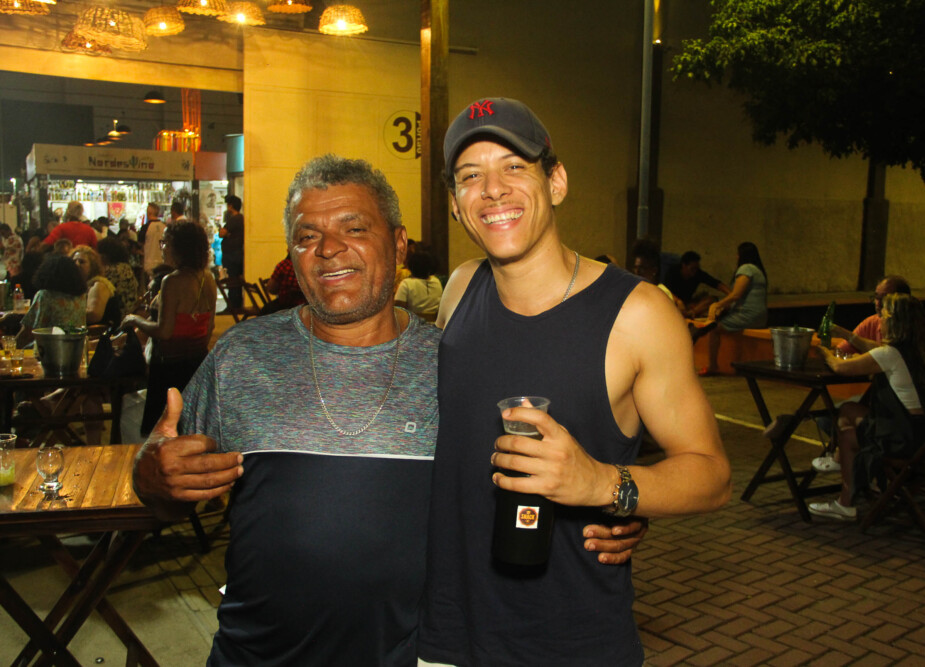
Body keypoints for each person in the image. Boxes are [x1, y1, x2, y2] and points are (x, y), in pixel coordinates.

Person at [131, 155, 642, 665]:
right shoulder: (241, 356)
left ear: (398, 245)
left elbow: (536, 480)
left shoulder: (457, 366)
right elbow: (167, 489)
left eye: (354, 228)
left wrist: (611, 510)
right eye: (307, 236)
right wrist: (151, 475)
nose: (328, 248)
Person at [419, 97, 731, 666]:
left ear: (556, 181)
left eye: (514, 166)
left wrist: (607, 486)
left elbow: (711, 474)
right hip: (445, 635)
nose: (492, 190)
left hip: (570, 643)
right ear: (457, 206)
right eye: (470, 176)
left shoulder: (638, 314)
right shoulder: (460, 290)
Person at [810, 294, 925, 520]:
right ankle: (840, 466)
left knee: (848, 432)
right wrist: (847, 335)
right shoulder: (922, 350)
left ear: (894, 322)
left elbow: (841, 368)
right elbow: (877, 349)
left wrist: (824, 352)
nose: (879, 322)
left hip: (906, 441)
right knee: (849, 411)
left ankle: (845, 500)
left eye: (883, 317)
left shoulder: (891, 354)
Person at [122, 222, 217, 437]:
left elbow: (165, 331)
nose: (163, 248)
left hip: (169, 366)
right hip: (197, 362)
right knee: (192, 429)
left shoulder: (172, 281)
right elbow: (209, 327)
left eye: (165, 243)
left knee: (163, 431)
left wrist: (135, 320)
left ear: (179, 247)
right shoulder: (208, 278)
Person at [695, 241, 769, 376]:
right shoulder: (759, 271)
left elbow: (736, 295)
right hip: (760, 317)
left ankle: (713, 365)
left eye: (737, 254)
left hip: (748, 315)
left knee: (714, 329)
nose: (736, 257)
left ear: (741, 255)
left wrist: (717, 305)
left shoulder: (746, 269)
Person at [15, 254, 87, 348]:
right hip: (76, 348)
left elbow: (29, 332)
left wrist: (11, 345)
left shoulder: (45, 295)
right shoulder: (81, 297)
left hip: (49, 349)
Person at [834, 275, 911, 356]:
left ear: (901, 301)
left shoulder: (911, 328)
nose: (878, 303)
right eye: (876, 297)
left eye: (885, 298)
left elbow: (887, 354)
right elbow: (840, 351)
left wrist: (846, 334)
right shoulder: (871, 322)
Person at [664, 250, 730, 318]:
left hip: (688, 304)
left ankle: (690, 314)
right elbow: (664, 290)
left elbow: (716, 283)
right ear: (684, 265)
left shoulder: (697, 273)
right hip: (672, 304)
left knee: (711, 299)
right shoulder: (672, 272)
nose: (694, 271)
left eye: (696, 269)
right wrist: (678, 301)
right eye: (692, 269)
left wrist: (731, 294)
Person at [72, 245, 120, 327]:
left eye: (81, 262)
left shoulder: (98, 284)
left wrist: (65, 314)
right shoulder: (80, 285)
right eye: (74, 261)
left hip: (102, 332)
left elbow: (94, 315)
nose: (77, 264)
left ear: (93, 266)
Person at [98, 236, 140, 316]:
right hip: (130, 311)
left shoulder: (114, 271)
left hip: (120, 314)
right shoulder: (125, 267)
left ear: (105, 255)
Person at [394, 250, 442, 320]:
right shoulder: (436, 282)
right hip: (433, 324)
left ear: (411, 267)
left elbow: (399, 309)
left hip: (412, 324)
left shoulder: (406, 284)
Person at [219, 194, 245, 312]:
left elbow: (222, 233)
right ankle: (235, 304)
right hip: (235, 254)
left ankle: (233, 305)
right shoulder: (240, 219)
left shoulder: (235, 219)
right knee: (235, 280)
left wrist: (226, 233)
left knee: (232, 280)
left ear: (231, 206)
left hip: (232, 255)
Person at [142, 203, 167, 281]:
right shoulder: (164, 226)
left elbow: (140, 244)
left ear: (149, 213)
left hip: (149, 264)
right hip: (163, 262)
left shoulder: (146, 228)